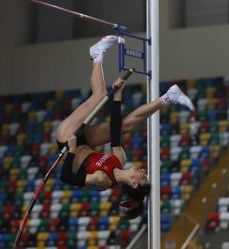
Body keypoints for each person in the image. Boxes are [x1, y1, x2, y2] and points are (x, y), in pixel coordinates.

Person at [57, 35, 194, 219]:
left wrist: (72, 151)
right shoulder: (120, 159)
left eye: (143, 177)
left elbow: (66, 177)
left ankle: (96, 55)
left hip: (68, 139)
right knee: (126, 126)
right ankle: (168, 97)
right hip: (85, 139)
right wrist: (117, 96)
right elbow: (115, 129)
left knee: (99, 96)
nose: (144, 171)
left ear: (134, 184)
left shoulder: (102, 180)